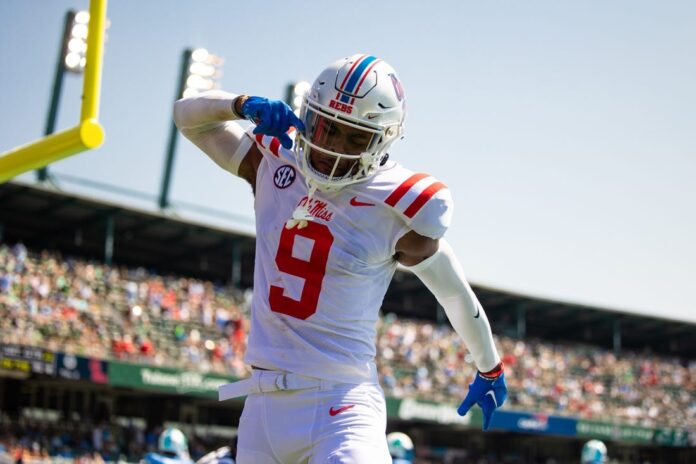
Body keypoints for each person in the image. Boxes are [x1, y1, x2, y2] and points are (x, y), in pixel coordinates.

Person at [174, 53, 507, 463]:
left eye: (355, 138)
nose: (334, 147)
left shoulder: (399, 205)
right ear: (308, 115)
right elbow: (186, 117)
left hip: (342, 405)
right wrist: (240, 104)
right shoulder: (273, 159)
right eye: (328, 128)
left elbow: (453, 294)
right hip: (261, 407)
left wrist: (489, 366)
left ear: (382, 140)